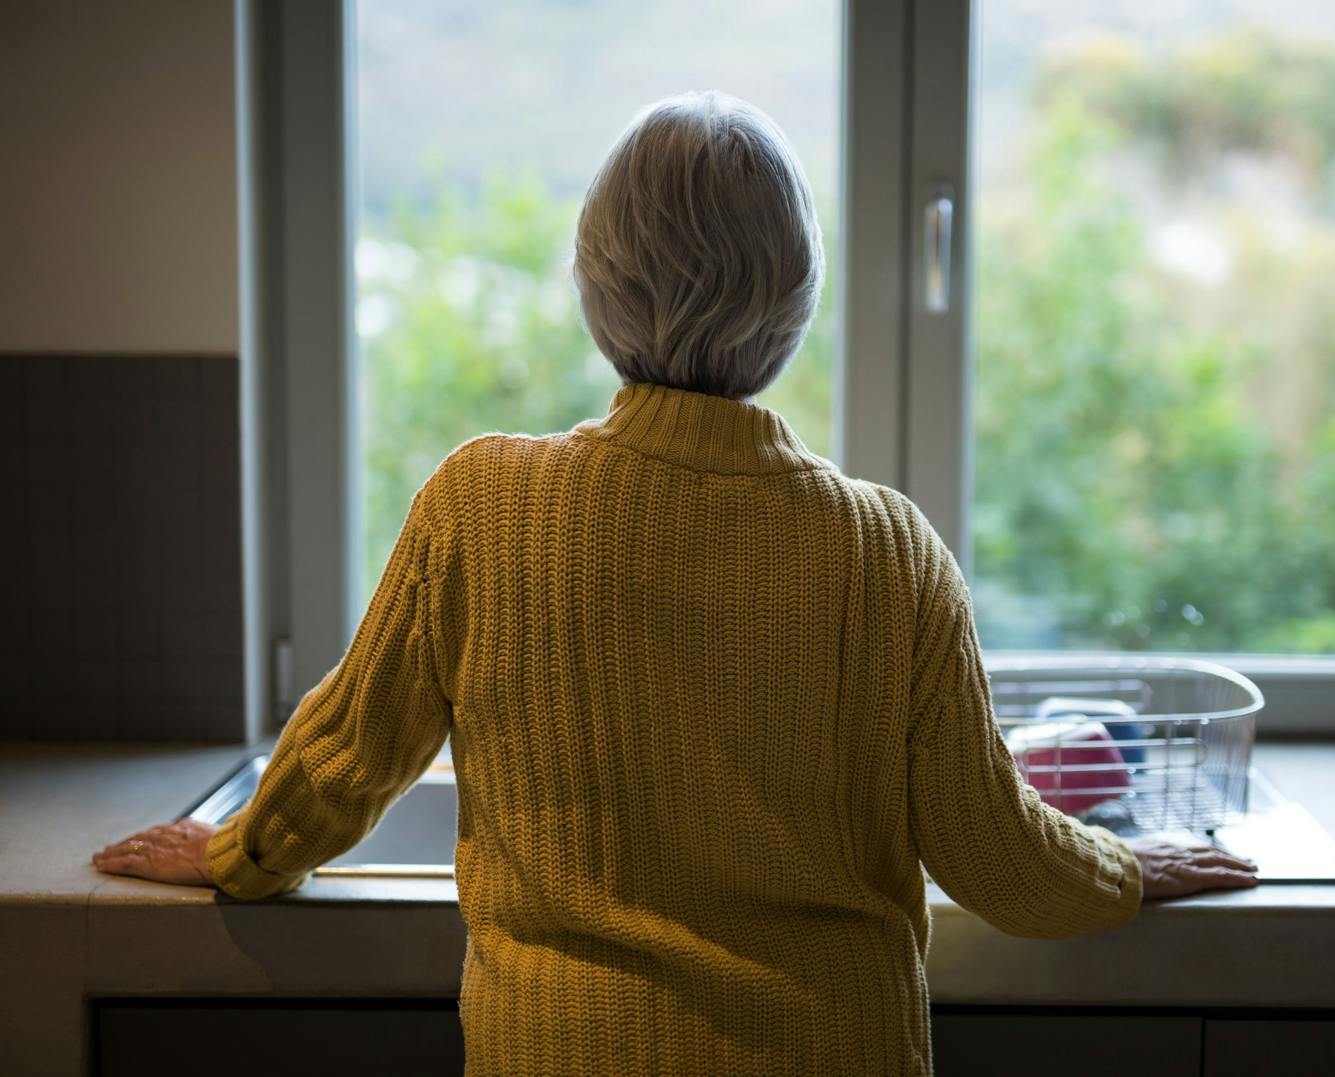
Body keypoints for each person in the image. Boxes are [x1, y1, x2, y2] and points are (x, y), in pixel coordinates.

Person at [92, 90, 1257, 1075]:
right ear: (795, 301)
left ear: (597, 285)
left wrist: (243, 853)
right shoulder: (886, 551)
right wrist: (1121, 871)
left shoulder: (481, 503)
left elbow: (346, 758)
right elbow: (996, 860)